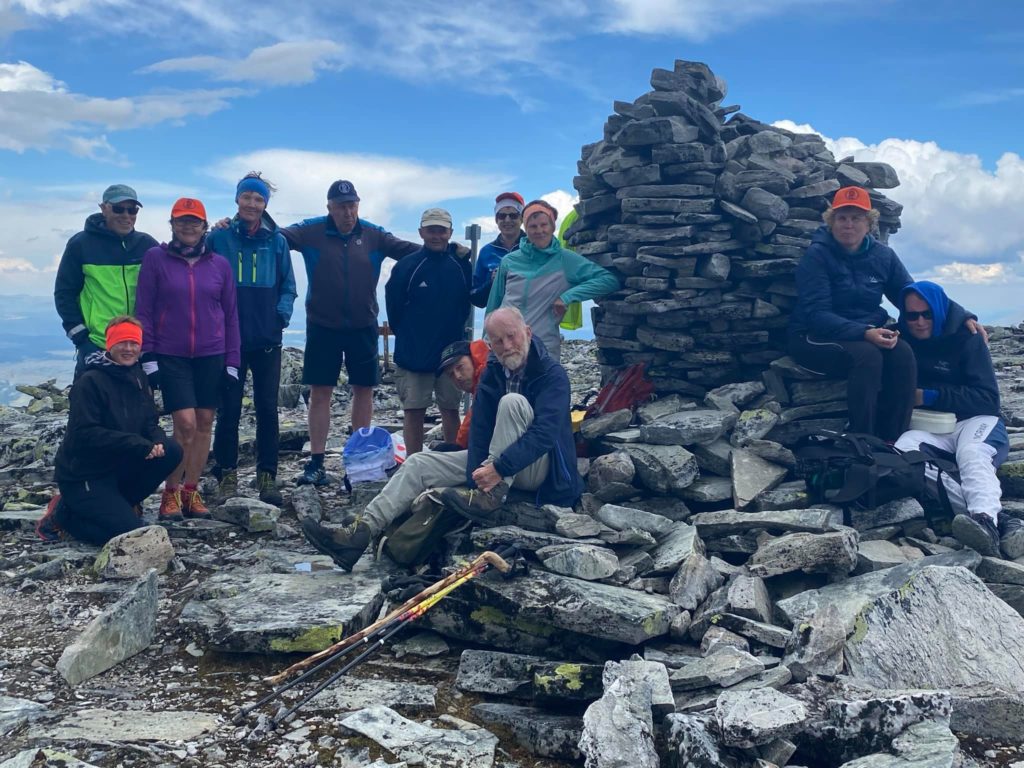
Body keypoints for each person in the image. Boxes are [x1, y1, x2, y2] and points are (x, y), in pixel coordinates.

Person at [789, 186, 984, 442]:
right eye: (842, 217)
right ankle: (864, 439)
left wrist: (963, 316)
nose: (848, 224)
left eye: (856, 218)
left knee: (902, 352)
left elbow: (915, 296)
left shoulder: (883, 256)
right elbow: (817, 314)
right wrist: (865, 332)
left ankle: (894, 438)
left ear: (869, 223)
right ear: (831, 221)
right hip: (813, 336)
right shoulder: (817, 256)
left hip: (863, 333)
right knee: (868, 356)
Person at [300, 337, 489, 570]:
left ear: (473, 359)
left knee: (418, 465)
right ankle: (364, 530)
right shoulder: (486, 378)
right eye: (451, 374)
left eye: (460, 367)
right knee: (420, 462)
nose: (457, 377)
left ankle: (362, 533)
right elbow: (472, 430)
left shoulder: (490, 379)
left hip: (497, 465)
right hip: (486, 459)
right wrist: (454, 449)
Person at [281, 180, 420, 486]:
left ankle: (359, 460)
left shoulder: (373, 234)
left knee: (364, 390)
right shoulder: (311, 231)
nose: (348, 212)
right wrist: (235, 226)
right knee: (320, 393)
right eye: (341, 206)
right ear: (329, 207)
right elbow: (273, 236)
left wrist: (446, 249)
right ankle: (317, 462)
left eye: (352, 205)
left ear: (358, 205)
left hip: (363, 325)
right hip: (322, 326)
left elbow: (411, 251)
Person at [894, 281, 1021, 558]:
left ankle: (984, 518)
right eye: (912, 315)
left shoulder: (968, 338)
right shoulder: (900, 339)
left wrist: (928, 396)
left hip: (976, 420)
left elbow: (988, 399)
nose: (919, 322)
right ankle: (995, 522)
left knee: (971, 453)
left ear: (939, 311)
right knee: (903, 454)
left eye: (927, 314)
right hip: (931, 426)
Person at [135, 198, 240, 521]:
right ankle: (170, 492)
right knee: (185, 424)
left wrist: (232, 361)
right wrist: (148, 357)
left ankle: (191, 492)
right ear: (172, 225)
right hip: (171, 354)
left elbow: (231, 315)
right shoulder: (155, 259)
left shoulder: (220, 265)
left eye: (194, 221)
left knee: (205, 422)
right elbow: (144, 309)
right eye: (182, 221)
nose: (188, 227)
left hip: (212, 353)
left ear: (204, 227)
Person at [37, 316, 183, 545]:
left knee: (172, 450)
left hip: (118, 467)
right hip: (85, 475)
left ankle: (119, 504)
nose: (128, 349)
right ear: (109, 344)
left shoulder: (138, 377)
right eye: (122, 342)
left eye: (134, 343)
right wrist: (138, 444)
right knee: (131, 535)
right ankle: (65, 516)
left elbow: (149, 421)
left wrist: (157, 441)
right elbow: (85, 434)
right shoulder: (90, 381)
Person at [208, 173, 297, 506]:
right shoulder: (218, 238)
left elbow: (288, 285)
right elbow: (201, 274)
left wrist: (280, 316)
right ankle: (226, 475)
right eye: (247, 197)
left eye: (258, 199)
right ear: (237, 199)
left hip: (267, 339)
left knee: (267, 409)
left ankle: (267, 476)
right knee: (228, 409)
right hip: (228, 341)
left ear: (265, 204)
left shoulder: (277, 241)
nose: (252, 204)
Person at [485, 199, 619, 361]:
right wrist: (485, 341)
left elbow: (608, 281)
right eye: (533, 226)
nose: (539, 231)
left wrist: (568, 297)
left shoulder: (565, 260)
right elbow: (494, 304)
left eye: (544, 225)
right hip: (504, 347)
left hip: (542, 348)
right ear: (525, 228)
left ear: (553, 226)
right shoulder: (509, 261)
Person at [385, 207, 471, 455]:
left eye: (441, 230)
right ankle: (413, 464)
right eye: (431, 230)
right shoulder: (407, 266)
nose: (436, 235)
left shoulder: (460, 265)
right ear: (421, 232)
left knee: (451, 409)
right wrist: (409, 336)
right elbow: (394, 309)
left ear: (450, 233)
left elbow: (466, 303)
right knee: (413, 411)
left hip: (450, 353)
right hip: (413, 353)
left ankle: (452, 461)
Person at [54, 184, 158, 381]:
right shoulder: (80, 244)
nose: (126, 215)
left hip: (137, 346)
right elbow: (64, 294)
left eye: (132, 210)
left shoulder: (147, 245)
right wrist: (82, 341)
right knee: (90, 397)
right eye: (119, 209)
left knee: (140, 400)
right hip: (98, 344)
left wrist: (216, 231)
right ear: (104, 208)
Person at [470, 192, 525, 308]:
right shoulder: (487, 251)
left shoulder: (533, 247)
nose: (507, 220)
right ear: (496, 220)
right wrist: (492, 282)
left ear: (522, 219)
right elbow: (476, 299)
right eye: (502, 216)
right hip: (497, 318)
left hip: (530, 317)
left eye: (513, 215)